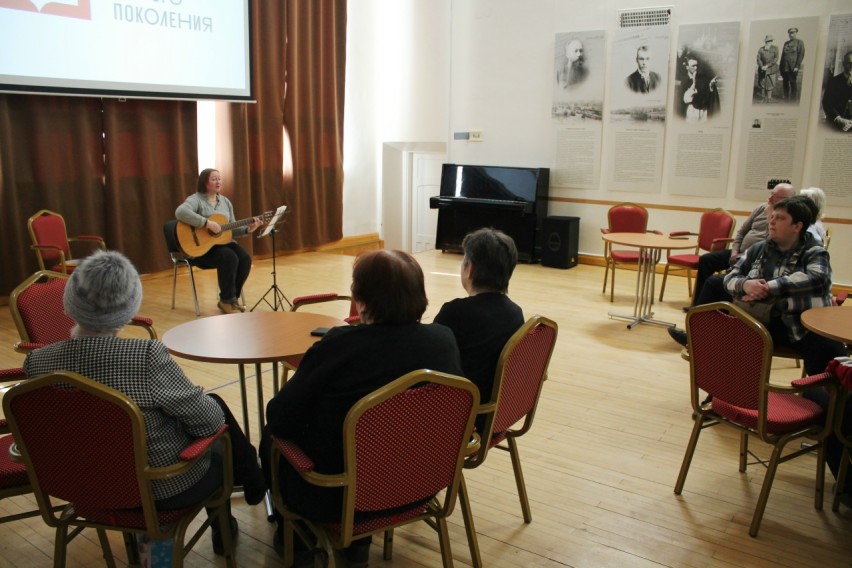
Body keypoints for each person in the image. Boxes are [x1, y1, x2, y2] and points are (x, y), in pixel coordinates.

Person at [22, 250, 266, 556]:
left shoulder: (37, 362)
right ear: (130, 305)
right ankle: (225, 528)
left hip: (79, 487)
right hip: (156, 490)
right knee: (218, 443)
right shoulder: (145, 357)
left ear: (70, 302)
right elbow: (210, 423)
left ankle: (241, 493)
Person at [262, 249, 463, 567]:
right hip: (422, 484)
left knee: (272, 437)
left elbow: (280, 419)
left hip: (340, 496)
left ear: (361, 300)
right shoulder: (444, 340)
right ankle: (356, 547)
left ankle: (298, 541)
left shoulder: (338, 346)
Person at [722, 196, 846, 376]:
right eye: (772, 217)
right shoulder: (759, 248)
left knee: (832, 356)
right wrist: (746, 284)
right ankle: (730, 389)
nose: (771, 222)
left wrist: (768, 287)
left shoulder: (814, 251)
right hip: (761, 320)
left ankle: (821, 391)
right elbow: (730, 276)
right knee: (723, 339)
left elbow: (817, 277)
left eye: (780, 218)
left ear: (797, 226)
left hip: (801, 325)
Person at [668, 183, 795, 347]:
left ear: (788, 200)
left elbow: (769, 248)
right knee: (707, 260)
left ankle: (699, 334)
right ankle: (697, 307)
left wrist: (745, 261)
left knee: (715, 283)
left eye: (775, 196)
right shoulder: (761, 209)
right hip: (741, 253)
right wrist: (735, 251)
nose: (770, 198)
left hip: (753, 258)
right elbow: (742, 232)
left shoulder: (784, 221)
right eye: (771, 194)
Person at [434, 228, 525, 424]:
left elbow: (431, 362)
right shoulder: (515, 313)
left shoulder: (454, 312)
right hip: (498, 413)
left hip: (462, 418)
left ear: (470, 269)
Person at [175, 168, 262, 314]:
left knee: (245, 258)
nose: (218, 181)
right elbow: (180, 212)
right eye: (214, 179)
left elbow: (231, 228)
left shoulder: (225, 202)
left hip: (221, 244)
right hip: (200, 250)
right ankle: (227, 300)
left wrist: (248, 229)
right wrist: (206, 223)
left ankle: (231, 300)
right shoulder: (196, 199)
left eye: (219, 179)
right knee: (229, 257)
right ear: (205, 182)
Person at [681, 57, 719, 122]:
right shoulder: (684, 81)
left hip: (704, 111)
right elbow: (686, 100)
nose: (696, 68)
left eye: (697, 65)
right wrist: (694, 81)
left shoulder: (703, 79)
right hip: (692, 111)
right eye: (693, 66)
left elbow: (707, 96)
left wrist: (710, 86)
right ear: (687, 67)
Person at [822, 50, 852, 132]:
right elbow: (826, 102)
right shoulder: (834, 81)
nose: (851, 66)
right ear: (843, 64)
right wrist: (838, 119)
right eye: (849, 63)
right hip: (835, 125)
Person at [780, 27, 805, 102]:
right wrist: (780, 67)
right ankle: (786, 98)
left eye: (793, 33)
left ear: (796, 33)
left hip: (792, 67)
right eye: (790, 33)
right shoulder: (786, 43)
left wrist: (797, 66)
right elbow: (783, 55)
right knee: (785, 83)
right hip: (784, 67)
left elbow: (801, 55)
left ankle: (793, 100)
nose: (791, 34)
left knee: (792, 83)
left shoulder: (799, 42)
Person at [756, 35, 779, 102]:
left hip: (771, 69)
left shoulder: (775, 48)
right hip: (762, 69)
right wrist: (761, 66)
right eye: (767, 41)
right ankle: (762, 98)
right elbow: (758, 59)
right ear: (765, 42)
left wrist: (768, 66)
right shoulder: (761, 49)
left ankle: (769, 98)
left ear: (772, 41)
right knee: (762, 83)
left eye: (770, 41)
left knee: (771, 83)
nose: (768, 42)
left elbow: (776, 59)